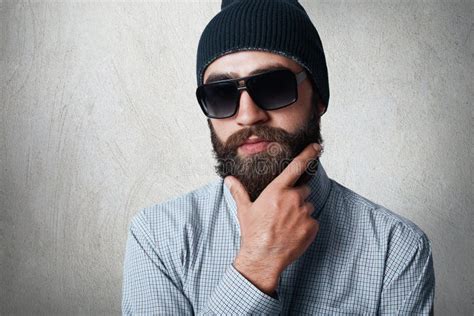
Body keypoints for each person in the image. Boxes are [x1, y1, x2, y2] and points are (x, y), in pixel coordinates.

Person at [121, 0, 435, 314]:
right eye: (221, 94)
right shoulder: (158, 236)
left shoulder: (395, 250)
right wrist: (256, 266)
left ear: (318, 99)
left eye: (273, 87)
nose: (248, 115)